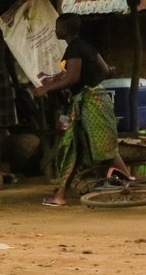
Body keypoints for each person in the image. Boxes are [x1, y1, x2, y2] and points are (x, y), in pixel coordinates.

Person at [35, 13, 117, 207]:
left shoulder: (74, 48)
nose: (55, 30)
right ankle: (129, 180)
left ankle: (60, 196)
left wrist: (46, 88)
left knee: (72, 148)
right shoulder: (85, 45)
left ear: (65, 29)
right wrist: (60, 79)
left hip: (89, 102)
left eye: (57, 27)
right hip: (97, 98)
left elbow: (72, 78)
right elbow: (104, 70)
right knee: (101, 146)